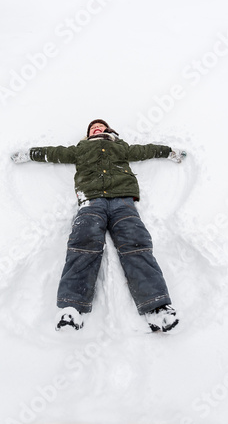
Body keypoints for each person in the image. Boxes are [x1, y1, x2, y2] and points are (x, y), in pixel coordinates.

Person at [11, 119, 187, 333]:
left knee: (136, 243)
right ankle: (72, 308)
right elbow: (54, 153)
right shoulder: (81, 149)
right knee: (83, 241)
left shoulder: (121, 147)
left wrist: (169, 152)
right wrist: (29, 154)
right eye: (92, 127)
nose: (96, 128)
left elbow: (147, 150)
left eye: (100, 126)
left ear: (109, 130)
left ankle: (157, 307)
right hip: (91, 199)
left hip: (123, 201)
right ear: (88, 134)